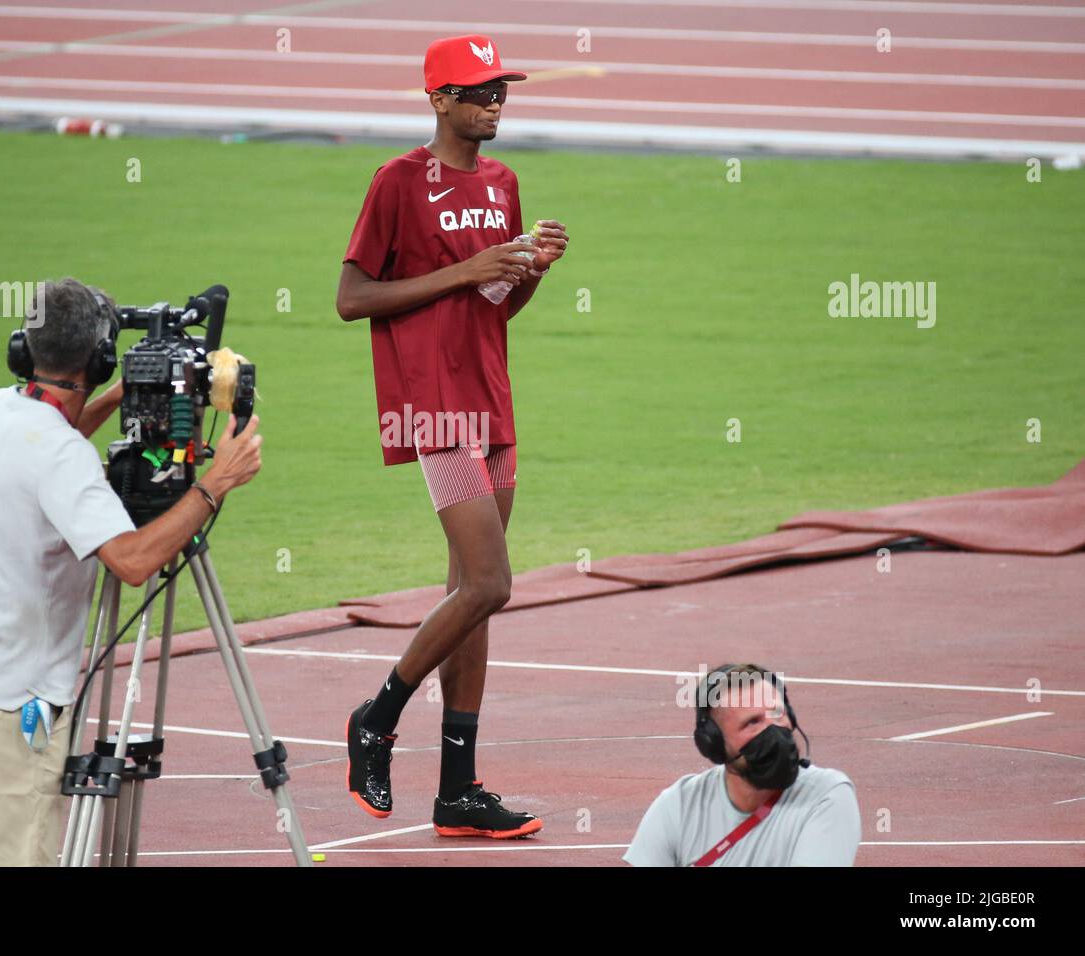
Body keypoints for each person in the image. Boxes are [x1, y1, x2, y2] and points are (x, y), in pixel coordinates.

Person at [0, 277, 263, 866]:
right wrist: (214, 482)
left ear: (25, 350)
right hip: (8, 702)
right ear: (100, 359)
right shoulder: (62, 457)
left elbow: (50, 445)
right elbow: (131, 562)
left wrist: (123, 393)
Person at [335, 34, 569, 838]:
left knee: (473, 597)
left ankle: (457, 790)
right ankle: (376, 716)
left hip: (492, 398)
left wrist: (528, 270)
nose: (494, 102)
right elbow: (351, 297)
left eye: (500, 88)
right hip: (432, 403)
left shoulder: (503, 183)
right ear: (438, 99)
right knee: (489, 583)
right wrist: (464, 272)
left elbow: (495, 305)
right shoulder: (397, 181)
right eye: (477, 92)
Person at [625, 663, 861, 866]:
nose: (773, 729)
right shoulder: (678, 805)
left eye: (777, 713)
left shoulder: (825, 795)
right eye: (752, 723)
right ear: (714, 744)